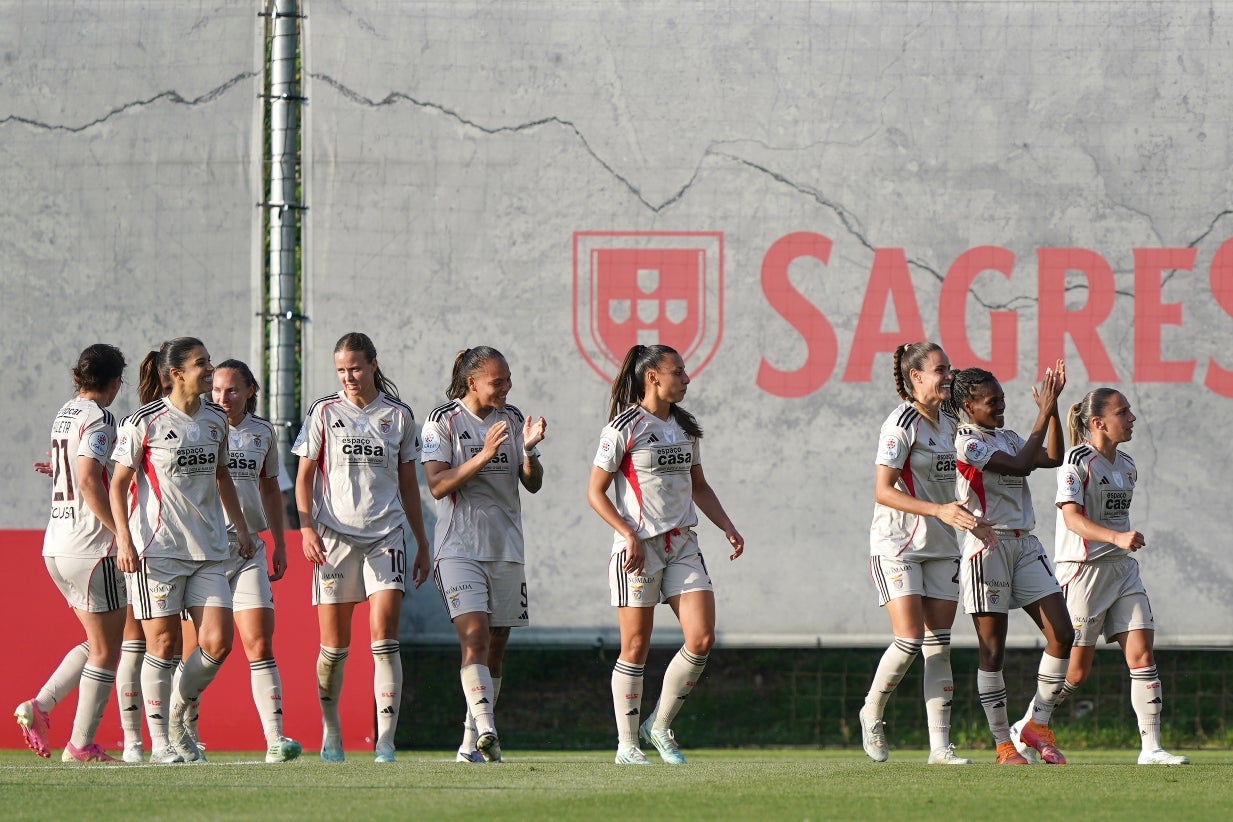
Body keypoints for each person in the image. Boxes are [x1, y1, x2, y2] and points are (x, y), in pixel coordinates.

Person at [1008, 388, 1189, 765]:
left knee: (1142, 654)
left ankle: (1151, 748)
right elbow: (1072, 518)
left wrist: (1119, 544)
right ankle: (1028, 723)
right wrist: (1117, 537)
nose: (1132, 418)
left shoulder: (1127, 465)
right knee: (1075, 672)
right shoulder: (1076, 461)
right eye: (1123, 412)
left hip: (1122, 572)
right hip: (1083, 573)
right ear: (1098, 423)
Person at [587, 344, 744, 765]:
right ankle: (626, 745)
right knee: (635, 645)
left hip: (683, 545)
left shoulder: (685, 428)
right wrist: (627, 533)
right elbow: (594, 492)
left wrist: (726, 525)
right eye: (678, 371)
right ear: (652, 377)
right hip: (637, 549)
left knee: (702, 638)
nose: (686, 378)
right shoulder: (622, 428)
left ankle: (658, 725)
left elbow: (699, 485)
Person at [109, 337, 254, 764]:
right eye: (201, 364)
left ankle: (176, 714)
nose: (210, 370)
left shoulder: (215, 419)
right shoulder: (144, 421)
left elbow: (223, 476)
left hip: (209, 547)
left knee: (218, 643)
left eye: (208, 362)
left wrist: (242, 529)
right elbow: (118, 484)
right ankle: (160, 745)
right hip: (158, 548)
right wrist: (123, 538)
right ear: (176, 374)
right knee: (164, 644)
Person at [293, 332, 430, 764]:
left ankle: (386, 742)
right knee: (334, 648)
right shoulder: (323, 411)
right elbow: (302, 479)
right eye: (340, 370)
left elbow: (411, 486)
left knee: (385, 638)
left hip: (386, 535)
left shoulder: (399, 415)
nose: (348, 376)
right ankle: (331, 733)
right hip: (333, 537)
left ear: (373, 364)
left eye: (355, 367)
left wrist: (421, 542)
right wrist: (307, 529)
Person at [857, 341, 994, 765]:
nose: (949, 377)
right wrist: (938, 510)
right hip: (897, 546)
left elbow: (963, 481)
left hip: (941, 547)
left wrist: (975, 519)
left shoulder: (951, 420)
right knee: (909, 640)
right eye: (941, 370)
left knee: (940, 644)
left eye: (949, 369)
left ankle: (940, 748)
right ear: (916, 377)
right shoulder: (900, 423)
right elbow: (882, 490)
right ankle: (872, 711)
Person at [421, 347, 546, 764]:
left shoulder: (512, 419)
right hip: (458, 548)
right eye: (498, 382)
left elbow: (532, 485)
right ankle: (490, 728)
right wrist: (483, 456)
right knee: (473, 637)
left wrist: (529, 452)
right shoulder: (443, 421)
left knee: (496, 647)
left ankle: (470, 743)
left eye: (508, 380)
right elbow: (438, 486)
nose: (506, 388)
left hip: (506, 548)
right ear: (472, 382)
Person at [947, 362, 1073, 765]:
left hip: (1024, 543)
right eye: (991, 402)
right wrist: (1043, 411)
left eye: (1002, 400)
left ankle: (1035, 724)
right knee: (993, 651)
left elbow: (1053, 455)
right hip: (988, 545)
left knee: (1062, 633)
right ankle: (1003, 744)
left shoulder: (1006, 436)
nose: (1000, 407)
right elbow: (1020, 465)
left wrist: (1051, 409)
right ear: (968, 404)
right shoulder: (966, 441)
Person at [14, 344, 127, 763]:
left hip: (56, 546)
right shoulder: (100, 417)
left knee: (97, 642)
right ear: (114, 382)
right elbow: (87, 479)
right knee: (106, 650)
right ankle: (80, 744)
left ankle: (40, 706)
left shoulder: (66, 411)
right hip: (91, 547)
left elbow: (78, 469)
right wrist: (123, 534)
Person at [187, 359, 301, 763]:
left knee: (259, 642)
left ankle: (275, 739)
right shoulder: (197, 426)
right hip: (204, 554)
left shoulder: (263, 432)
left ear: (251, 390)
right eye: (216, 390)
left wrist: (282, 543)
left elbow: (272, 490)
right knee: (201, 649)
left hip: (250, 550)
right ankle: (186, 735)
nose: (222, 398)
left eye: (231, 390)